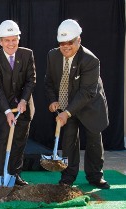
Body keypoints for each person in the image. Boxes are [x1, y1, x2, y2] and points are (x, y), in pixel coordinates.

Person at [44, 19, 110, 189]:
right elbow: (49, 82)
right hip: (67, 104)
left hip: (90, 104)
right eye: (62, 43)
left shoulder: (90, 60)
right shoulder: (53, 55)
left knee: (94, 141)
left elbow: (87, 92)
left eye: (70, 42)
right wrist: (53, 100)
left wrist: (67, 113)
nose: (65, 46)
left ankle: (95, 176)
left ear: (78, 40)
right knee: (69, 141)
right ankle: (67, 177)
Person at [0, 20, 36, 186]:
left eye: (14, 39)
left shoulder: (27, 54)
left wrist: (24, 100)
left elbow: (31, 80)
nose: (11, 43)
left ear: (18, 39)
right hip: (3, 108)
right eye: (6, 40)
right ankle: (2, 176)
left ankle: (15, 175)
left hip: (23, 107)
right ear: (0, 41)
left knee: (20, 140)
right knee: (5, 138)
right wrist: (8, 111)